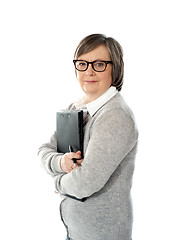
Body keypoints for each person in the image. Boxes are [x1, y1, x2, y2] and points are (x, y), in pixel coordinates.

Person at [38, 33, 138, 240]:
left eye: (99, 64)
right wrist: (61, 162)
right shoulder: (78, 107)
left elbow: (87, 182)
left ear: (115, 68)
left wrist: (58, 183)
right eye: (82, 64)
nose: (89, 71)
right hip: (77, 232)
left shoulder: (115, 116)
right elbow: (44, 150)